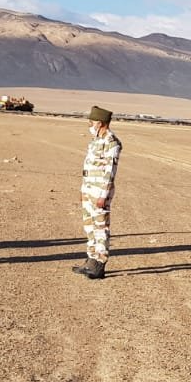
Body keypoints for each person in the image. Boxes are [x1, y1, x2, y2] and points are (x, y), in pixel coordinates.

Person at [73, 105, 121, 281]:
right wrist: (83, 189)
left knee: (101, 228)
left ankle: (100, 264)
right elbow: (89, 167)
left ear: (100, 123)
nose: (90, 125)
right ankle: (90, 260)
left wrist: (103, 194)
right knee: (89, 227)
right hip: (88, 190)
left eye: (92, 122)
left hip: (100, 192)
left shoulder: (111, 142)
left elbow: (109, 171)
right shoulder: (95, 140)